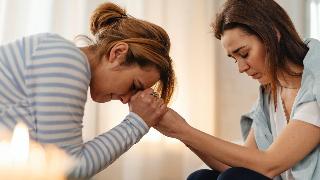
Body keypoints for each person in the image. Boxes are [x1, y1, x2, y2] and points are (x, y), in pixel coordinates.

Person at [0, 2, 175, 178]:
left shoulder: (58, 54)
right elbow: (68, 170)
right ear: (117, 53)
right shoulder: (67, 61)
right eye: (134, 86)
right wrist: (137, 122)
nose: (126, 100)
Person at [155, 0, 320, 179]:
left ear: (273, 34)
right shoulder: (269, 94)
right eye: (235, 59)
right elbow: (242, 164)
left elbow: (269, 164)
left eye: (244, 54)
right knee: (201, 177)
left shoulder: (315, 84)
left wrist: (183, 130)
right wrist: (181, 134)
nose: (241, 68)